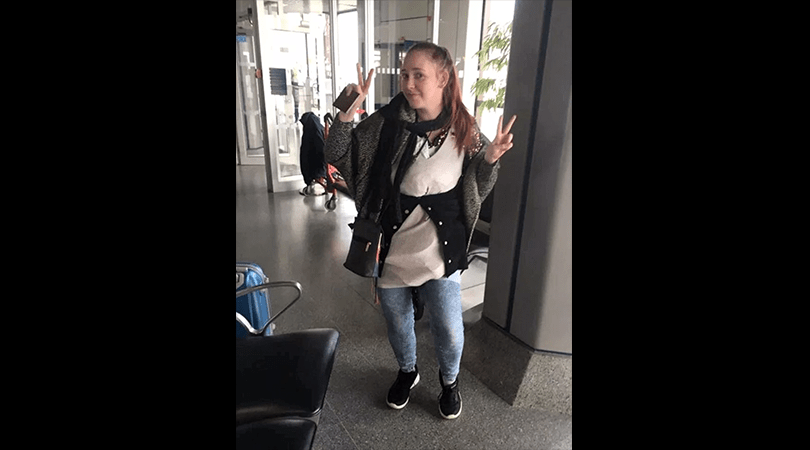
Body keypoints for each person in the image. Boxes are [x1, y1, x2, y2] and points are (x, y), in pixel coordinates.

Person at [324, 42, 516, 420]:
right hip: (394, 245)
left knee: (449, 327)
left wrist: (490, 160)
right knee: (397, 322)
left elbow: (476, 186)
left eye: (418, 75)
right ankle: (408, 371)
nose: (408, 83)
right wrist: (347, 111)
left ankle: (450, 381)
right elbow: (338, 154)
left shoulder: (465, 127)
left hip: (441, 247)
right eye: (404, 74)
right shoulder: (387, 123)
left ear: (442, 79)